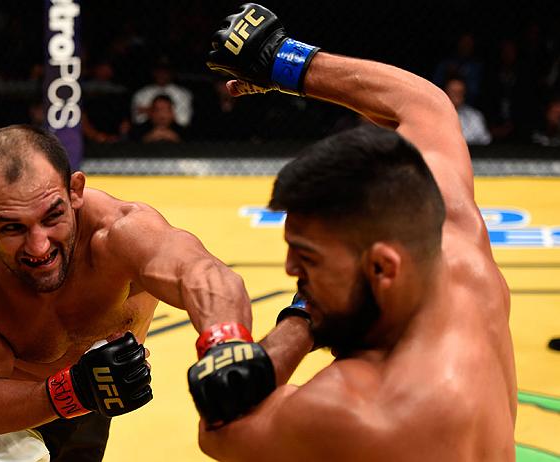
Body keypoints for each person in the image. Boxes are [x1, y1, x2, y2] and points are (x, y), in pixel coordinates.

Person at [187, 4, 516, 461]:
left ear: (382, 267)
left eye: (309, 259)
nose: (289, 268)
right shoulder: (459, 251)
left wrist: (294, 322)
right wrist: (281, 58)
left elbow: (220, 427)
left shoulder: (355, 407)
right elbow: (426, 105)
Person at [0, 124, 253, 461]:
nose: (39, 246)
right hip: (5, 411)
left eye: (52, 216)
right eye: (13, 227)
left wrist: (224, 343)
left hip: (94, 401)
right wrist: (76, 389)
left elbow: (206, 277)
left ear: (75, 191)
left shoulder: (122, 234)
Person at [444, 76, 492, 145]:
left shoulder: (475, 116)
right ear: (445, 93)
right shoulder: (433, 116)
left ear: (464, 94)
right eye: (453, 92)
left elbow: (485, 141)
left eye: (460, 92)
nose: (456, 96)